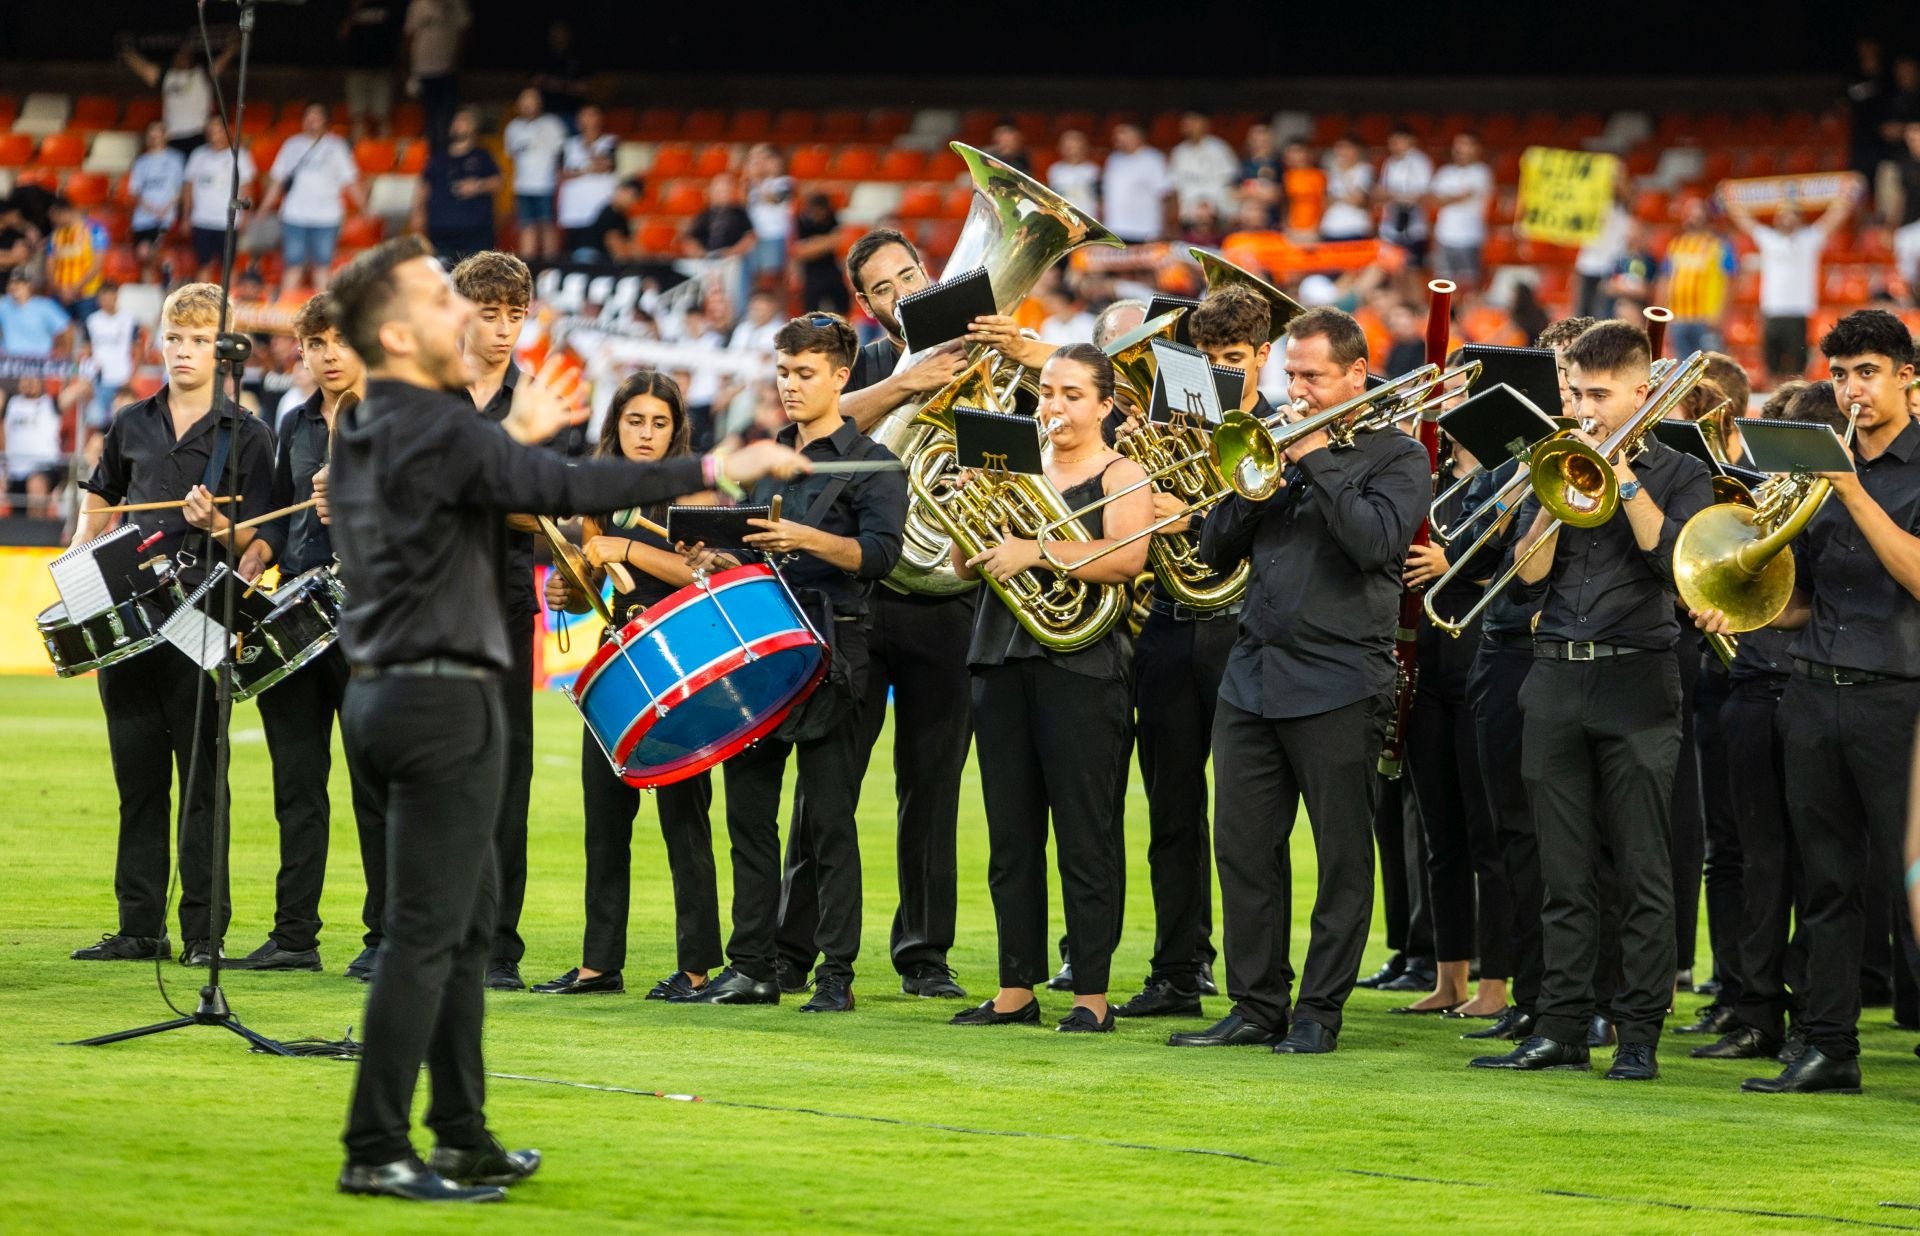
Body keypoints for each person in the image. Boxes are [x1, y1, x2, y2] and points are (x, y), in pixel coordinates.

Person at [322, 233, 801, 1201]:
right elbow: (568, 493)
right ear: (401, 331)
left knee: (457, 930)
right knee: (430, 935)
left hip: (386, 692)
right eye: (434, 294)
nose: (461, 307)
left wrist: (517, 436)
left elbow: (509, 484)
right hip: (441, 697)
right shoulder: (437, 423)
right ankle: (376, 1146)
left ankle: (461, 1133)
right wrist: (717, 462)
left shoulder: (371, 420)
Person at [1172, 306, 1428, 1053]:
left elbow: (1377, 544)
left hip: (1343, 678)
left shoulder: (1398, 455)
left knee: (1342, 854)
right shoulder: (1273, 451)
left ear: (1356, 374)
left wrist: (1315, 456)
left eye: (1314, 376)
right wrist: (1254, 484)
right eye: (1292, 375)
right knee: (1244, 849)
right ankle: (1256, 1006)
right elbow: (1215, 552)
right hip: (1253, 674)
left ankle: (1319, 1011)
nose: (1299, 389)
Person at [1471, 320, 1713, 1082]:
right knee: (1561, 870)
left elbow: (1677, 567)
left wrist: (1623, 476)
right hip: (1554, 676)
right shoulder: (1557, 461)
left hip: (1638, 678)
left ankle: (1638, 1030)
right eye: (1576, 391)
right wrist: (1558, 487)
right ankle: (1563, 1024)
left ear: (1642, 393)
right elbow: (1530, 575)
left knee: (1641, 867)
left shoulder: (1681, 472)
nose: (1583, 406)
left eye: (1600, 395)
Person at [1694, 311, 1920, 1094]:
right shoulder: (1814, 470)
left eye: (1867, 372)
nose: (1852, 389)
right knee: (1825, 882)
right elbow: (1804, 599)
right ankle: (1829, 1047)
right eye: (1842, 375)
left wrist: (1850, 492)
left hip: (1901, 701)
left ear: (1906, 379)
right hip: (1815, 691)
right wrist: (1740, 602)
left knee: (1912, 889)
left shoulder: (1874, 475)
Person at [678, 313, 905, 1012]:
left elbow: (882, 556)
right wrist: (719, 559)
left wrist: (806, 537)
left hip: (834, 653)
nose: (790, 385)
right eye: (783, 371)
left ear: (842, 376)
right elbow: (752, 553)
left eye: (805, 373)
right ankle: (752, 967)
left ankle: (836, 974)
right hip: (761, 650)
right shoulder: (768, 453)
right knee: (749, 817)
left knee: (829, 822)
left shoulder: (876, 462)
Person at [66, 283, 277, 967]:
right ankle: (139, 927)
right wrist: (75, 563)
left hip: (203, 622)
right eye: (175, 338)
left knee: (204, 786)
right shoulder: (130, 421)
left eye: (199, 339)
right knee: (138, 782)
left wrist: (219, 524)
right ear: (160, 342)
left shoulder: (249, 434)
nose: (184, 351)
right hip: (129, 622)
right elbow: (100, 501)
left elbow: (260, 541)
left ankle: (203, 935)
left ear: (223, 349)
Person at [948, 344, 1150, 1033]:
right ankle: (1015, 988)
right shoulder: (1014, 464)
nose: (1053, 406)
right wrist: (967, 497)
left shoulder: (1124, 472)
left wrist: (1036, 550)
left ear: (1104, 405)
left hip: (1083, 668)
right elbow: (960, 562)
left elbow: (1128, 559)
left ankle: (1091, 992)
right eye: (1046, 391)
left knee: (1086, 834)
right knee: (1011, 835)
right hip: (1000, 659)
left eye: (1070, 394)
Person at [809, 230, 977, 998]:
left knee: (933, 786)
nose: (904, 291)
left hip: (950, 600)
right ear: (866, 306)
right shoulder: (867, 364)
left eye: (912, 273)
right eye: (884, 286)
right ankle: (798, 944)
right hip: (863, 604)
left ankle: (925, 955)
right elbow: (816, 424)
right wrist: (909, 387)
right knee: (828, 779)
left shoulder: (986, 363)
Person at [533, 371, 723, 1000]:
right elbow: (597, 591)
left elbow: (700, 577)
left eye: (659, 422)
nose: (646, 433)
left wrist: (626, 549)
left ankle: (696, 969)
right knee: (604, 821)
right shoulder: (598, 492)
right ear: (616, 424)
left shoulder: (693, 490)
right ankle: (598, 965)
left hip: (681, 666)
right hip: (616, 666)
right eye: (635, 421)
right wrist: (571, 593)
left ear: (677, 431)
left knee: (684, 822)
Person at [1111, 288, 1269, 1020]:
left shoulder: (1284, 430)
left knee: (1248, 821)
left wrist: (1198, 512)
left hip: (1246, 630)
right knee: (1173, 812)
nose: (1217, 375)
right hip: (1172, 625)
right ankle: (1178, 970)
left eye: (1232, 361)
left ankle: (1257, 985)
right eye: (1205, 361)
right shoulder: (1161, 431)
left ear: (1264, 357)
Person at [219, 294, 385, 979]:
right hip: (298, 612)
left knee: (376, 785)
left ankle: (386, 938)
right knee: (297, 783)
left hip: (374, 617)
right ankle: (295, 936)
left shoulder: (395, 424)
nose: (328, 355)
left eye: (341, 340)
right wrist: (253, 555)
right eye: (316, 344)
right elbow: (282, 526)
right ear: (303, 353)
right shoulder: (295, 424)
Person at [1687, 382, 1842, 1063]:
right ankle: (1752, 1010)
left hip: (1812, 688)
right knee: (1757, 858)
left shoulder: (1846, 504)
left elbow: (1819, 600)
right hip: (1754, 685)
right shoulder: (1756, 497)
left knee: (1818, 863)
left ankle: (1814, 1014)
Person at [446, 250, 543, 992]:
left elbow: (549, 510)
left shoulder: (537, 402)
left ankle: (498, 949)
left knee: (505, 780)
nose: (506, 329)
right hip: (427, 605)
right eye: (491, 313)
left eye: (516, 314)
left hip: (505, 609)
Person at [1725, 183, 1858, 384]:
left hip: (1798, 311)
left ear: (1799, 218)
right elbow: (1745, 222)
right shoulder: (1769, 239)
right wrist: (1730, 200)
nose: (1787, 218)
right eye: (1783, 215)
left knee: (1798, 368)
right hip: (1772, 311)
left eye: (1792, 214)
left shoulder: (1809, 239)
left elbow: (1833, 219)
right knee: (1772, 367)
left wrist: (1846, 196)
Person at [263, 105, 364, 298]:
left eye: (317, 117)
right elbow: (278, 180)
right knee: (293, 266)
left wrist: (365, 207)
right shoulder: (291, 145)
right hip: (294, 215)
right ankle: (287, 314)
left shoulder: (337, 146)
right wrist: (264, 208)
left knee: (322, 267)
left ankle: (321, 316)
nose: (312, 121)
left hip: (327, 217)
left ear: (325, 121)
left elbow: (350, 181)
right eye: (309, 117)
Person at [119, 35, 237, 155]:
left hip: (199, 134)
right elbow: (145, 70)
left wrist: (232, 48)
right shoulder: (167, 75)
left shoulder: (202, 72)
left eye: (187, 54)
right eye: (180, 54)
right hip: (173, 135)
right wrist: (126, 52)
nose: (184, 57)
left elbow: (219, 65)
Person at [412, 108, 501, 265]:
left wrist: (477, 186)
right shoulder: (438, 157)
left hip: (475, 230)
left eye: (463, 121)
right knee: (442, 273)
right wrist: (418, 211)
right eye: (456, 121)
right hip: (441, 229)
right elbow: (424, 185)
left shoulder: (482, 156)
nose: (457, 125)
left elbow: (498, 182)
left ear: (473, 127)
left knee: (475, 276)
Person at [1658, 198, 1736, 359]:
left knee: (1708, 367)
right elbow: (1665, 280)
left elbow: (1730, 282)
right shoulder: (1676, 245)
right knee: (1683, 367)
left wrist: (1720, 314)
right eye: (1690, 213)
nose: (1694, 217)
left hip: (1706, 319)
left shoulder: (1719, 245)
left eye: (1698, 213)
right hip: (1679, 318)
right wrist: (1663, 312)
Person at [181, 117, 254, 282]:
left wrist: (245, 216)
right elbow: (189, 187)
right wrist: (186, 214)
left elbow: (247, 188)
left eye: (218, 129)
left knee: (228, 265)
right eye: (211, 130)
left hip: (228, 220)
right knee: (203, 264)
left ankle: (227, 303)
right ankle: (203, 303)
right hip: (202, 219)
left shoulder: (240, 156)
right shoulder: (198, 155)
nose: (214, 134)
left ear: (226, 131)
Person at [679, 173, 757, 322]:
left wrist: (731, 252)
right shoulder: (704, 214)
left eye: (725, 189)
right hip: (706, 262)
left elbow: (750, 238)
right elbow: (689, 238)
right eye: (719, 190)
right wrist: (697, 252)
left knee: (731, 294)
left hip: (731, 262)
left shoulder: (738, 213)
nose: (722, 193)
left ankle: (732, 322)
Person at [503, 89, 567, 261]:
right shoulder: (513, 128)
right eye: (523, 100)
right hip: (523, 186)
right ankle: (527, 269)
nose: (527, 104)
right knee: (526, 226)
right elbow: (512, 158)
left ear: (539, 102)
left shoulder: (552, 124)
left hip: (547, 184)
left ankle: (551, 266)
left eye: (531, 99)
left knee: (547, 225)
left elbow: (560, 155)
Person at [1429, 133, 1493, 289]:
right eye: (1458, 145)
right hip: (1444, 236)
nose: (1460, 149)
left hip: (1470, 238)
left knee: (1468, 286)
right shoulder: (1445, 172)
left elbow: (1463, 196)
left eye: (1466, 144)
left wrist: (1446, 198)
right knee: (1443, 286)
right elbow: (1431, 198)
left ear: (1476, 149)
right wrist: (1451, 197)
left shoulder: (1481, 172)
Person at [404, 0, 469, 149]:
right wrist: (407, 67)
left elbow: (464, 31)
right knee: (429, 115)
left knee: (448, 114)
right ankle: (433, 155)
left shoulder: (456, 4)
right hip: (423, 69)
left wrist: (457, 59)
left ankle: (449, 153)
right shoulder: (417, 5)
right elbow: (408, 36)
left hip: (448, 69)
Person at [126, 122, 186, 283]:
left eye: (157, 134)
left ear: (165, 136)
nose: (154, 138)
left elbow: (181, 188)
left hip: (165, 218)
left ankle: (167, 278)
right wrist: (151, 208)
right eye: (151, 135)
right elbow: (135, 191)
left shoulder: (175, 159)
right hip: (142, 218)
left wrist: (166, 208)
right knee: (144, 257)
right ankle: (153, 288)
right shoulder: (141, 162)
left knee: (149, 251)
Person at [556, 105, 617, 260]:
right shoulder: (568, 145)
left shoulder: (610, 142)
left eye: (591, 116)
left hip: (600, 207)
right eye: (584, 116)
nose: (587, 120)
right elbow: (562, 173)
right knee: (576, 252)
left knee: (602, 252)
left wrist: (589, 148)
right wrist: (588, 169)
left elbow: (606, 166)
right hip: (575, 210)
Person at [339, 1, 404, 139]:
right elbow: (343, 34)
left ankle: (383, 153)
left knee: (382, 115)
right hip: (357, 68)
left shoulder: (390, 7)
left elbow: (399, 35)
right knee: (358, 116)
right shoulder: (352, 9)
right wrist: (353, 11)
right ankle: (360, 154)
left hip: (381, 68)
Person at [1103, 123, 1172, 245]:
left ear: (1137, 135)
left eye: (1123, 132)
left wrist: (1165, 229)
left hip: (1145, 231)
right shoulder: (1113, 160)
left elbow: (1165, 195)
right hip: (1115, 230)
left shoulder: (1153, 159)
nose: (1117, 137)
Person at [45, 196, 109, 326]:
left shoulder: (95, 230)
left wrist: (75, 288)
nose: (53, 221)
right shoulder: (55, 235)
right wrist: (58, 290)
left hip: (87, 294)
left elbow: (97, 264)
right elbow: (49, 264)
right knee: (61, 337)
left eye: (54, 217)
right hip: (60, 296)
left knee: (87, 334)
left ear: (64, 212)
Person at [1377, 127, 1432, 263]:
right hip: (1391, 226)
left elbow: (1419, 195)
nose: (1394, 145)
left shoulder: (1420, 162)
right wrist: (1395, 196)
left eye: (1399, 141)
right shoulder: (1389, 163)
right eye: (1392, 141)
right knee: (1391, 269)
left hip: (1413, 227)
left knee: (1411, 271)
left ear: (1411, 140)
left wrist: (1394, 195)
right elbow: (1381, 192)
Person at [744, 143, 794, 294]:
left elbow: (776, 199)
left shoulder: (786, 182)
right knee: (756, 277)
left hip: (774, 234)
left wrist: (757, 180)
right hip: (756, 235)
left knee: (772, 277)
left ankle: (779, 311)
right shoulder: (752, 185)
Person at [1169, 112, 1239, 221]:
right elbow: (1176, 184)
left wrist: (1208, 202)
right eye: (1186, 123)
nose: (1189, 126)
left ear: (1205, 124)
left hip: (1216, 209)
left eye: (1193, 122)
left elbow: (1230, 180)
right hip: (1189, 210)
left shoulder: (1219, 148)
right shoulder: (1179, 152)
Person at [789, 192, 848, 314]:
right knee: (810, 310)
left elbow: (839, 240)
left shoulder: (832, 218)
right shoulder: (800, 220)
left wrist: (814, 245)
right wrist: (826, 243)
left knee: (842, 305)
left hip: (831, 269)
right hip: (811, 272)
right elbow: (799, 251)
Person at [0, 271, 73, 357]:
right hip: (9, 360)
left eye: (20, 283)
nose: (15, 286)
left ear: (29, 286)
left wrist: (65, 353)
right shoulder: (3, 305)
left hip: (39, 360)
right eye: (11, 283)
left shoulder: (45, 305)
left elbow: (67, 329)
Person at [1319, 137, 1375, 242]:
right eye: (1339, 148)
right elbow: (1326, 200)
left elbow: (1357, 200)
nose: (1342, 153)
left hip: (1355, 228)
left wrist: (1343, 174)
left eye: (1347, 148)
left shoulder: (1364, 170)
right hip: (1331, 227)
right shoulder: (1333, 171)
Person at [1047, 129, 1102, 217]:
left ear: (1083, 147)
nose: (1070, 150)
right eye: (1066, 146)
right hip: (1063, 219)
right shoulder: (1055, 169)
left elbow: (1100, 199)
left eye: (1073, 146)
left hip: (1087, 220)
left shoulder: (1093, 170)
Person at [1239, 123, 1284, 227]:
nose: (1260, 144)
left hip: (1272, 221)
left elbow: (1277, 195)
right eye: (1256, 140)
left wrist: (1249, 190)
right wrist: (1257, 192)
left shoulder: (1279, 165)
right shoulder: (1243, 165)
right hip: (1246, 221)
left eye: (1264, 140)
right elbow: (1233, 192)